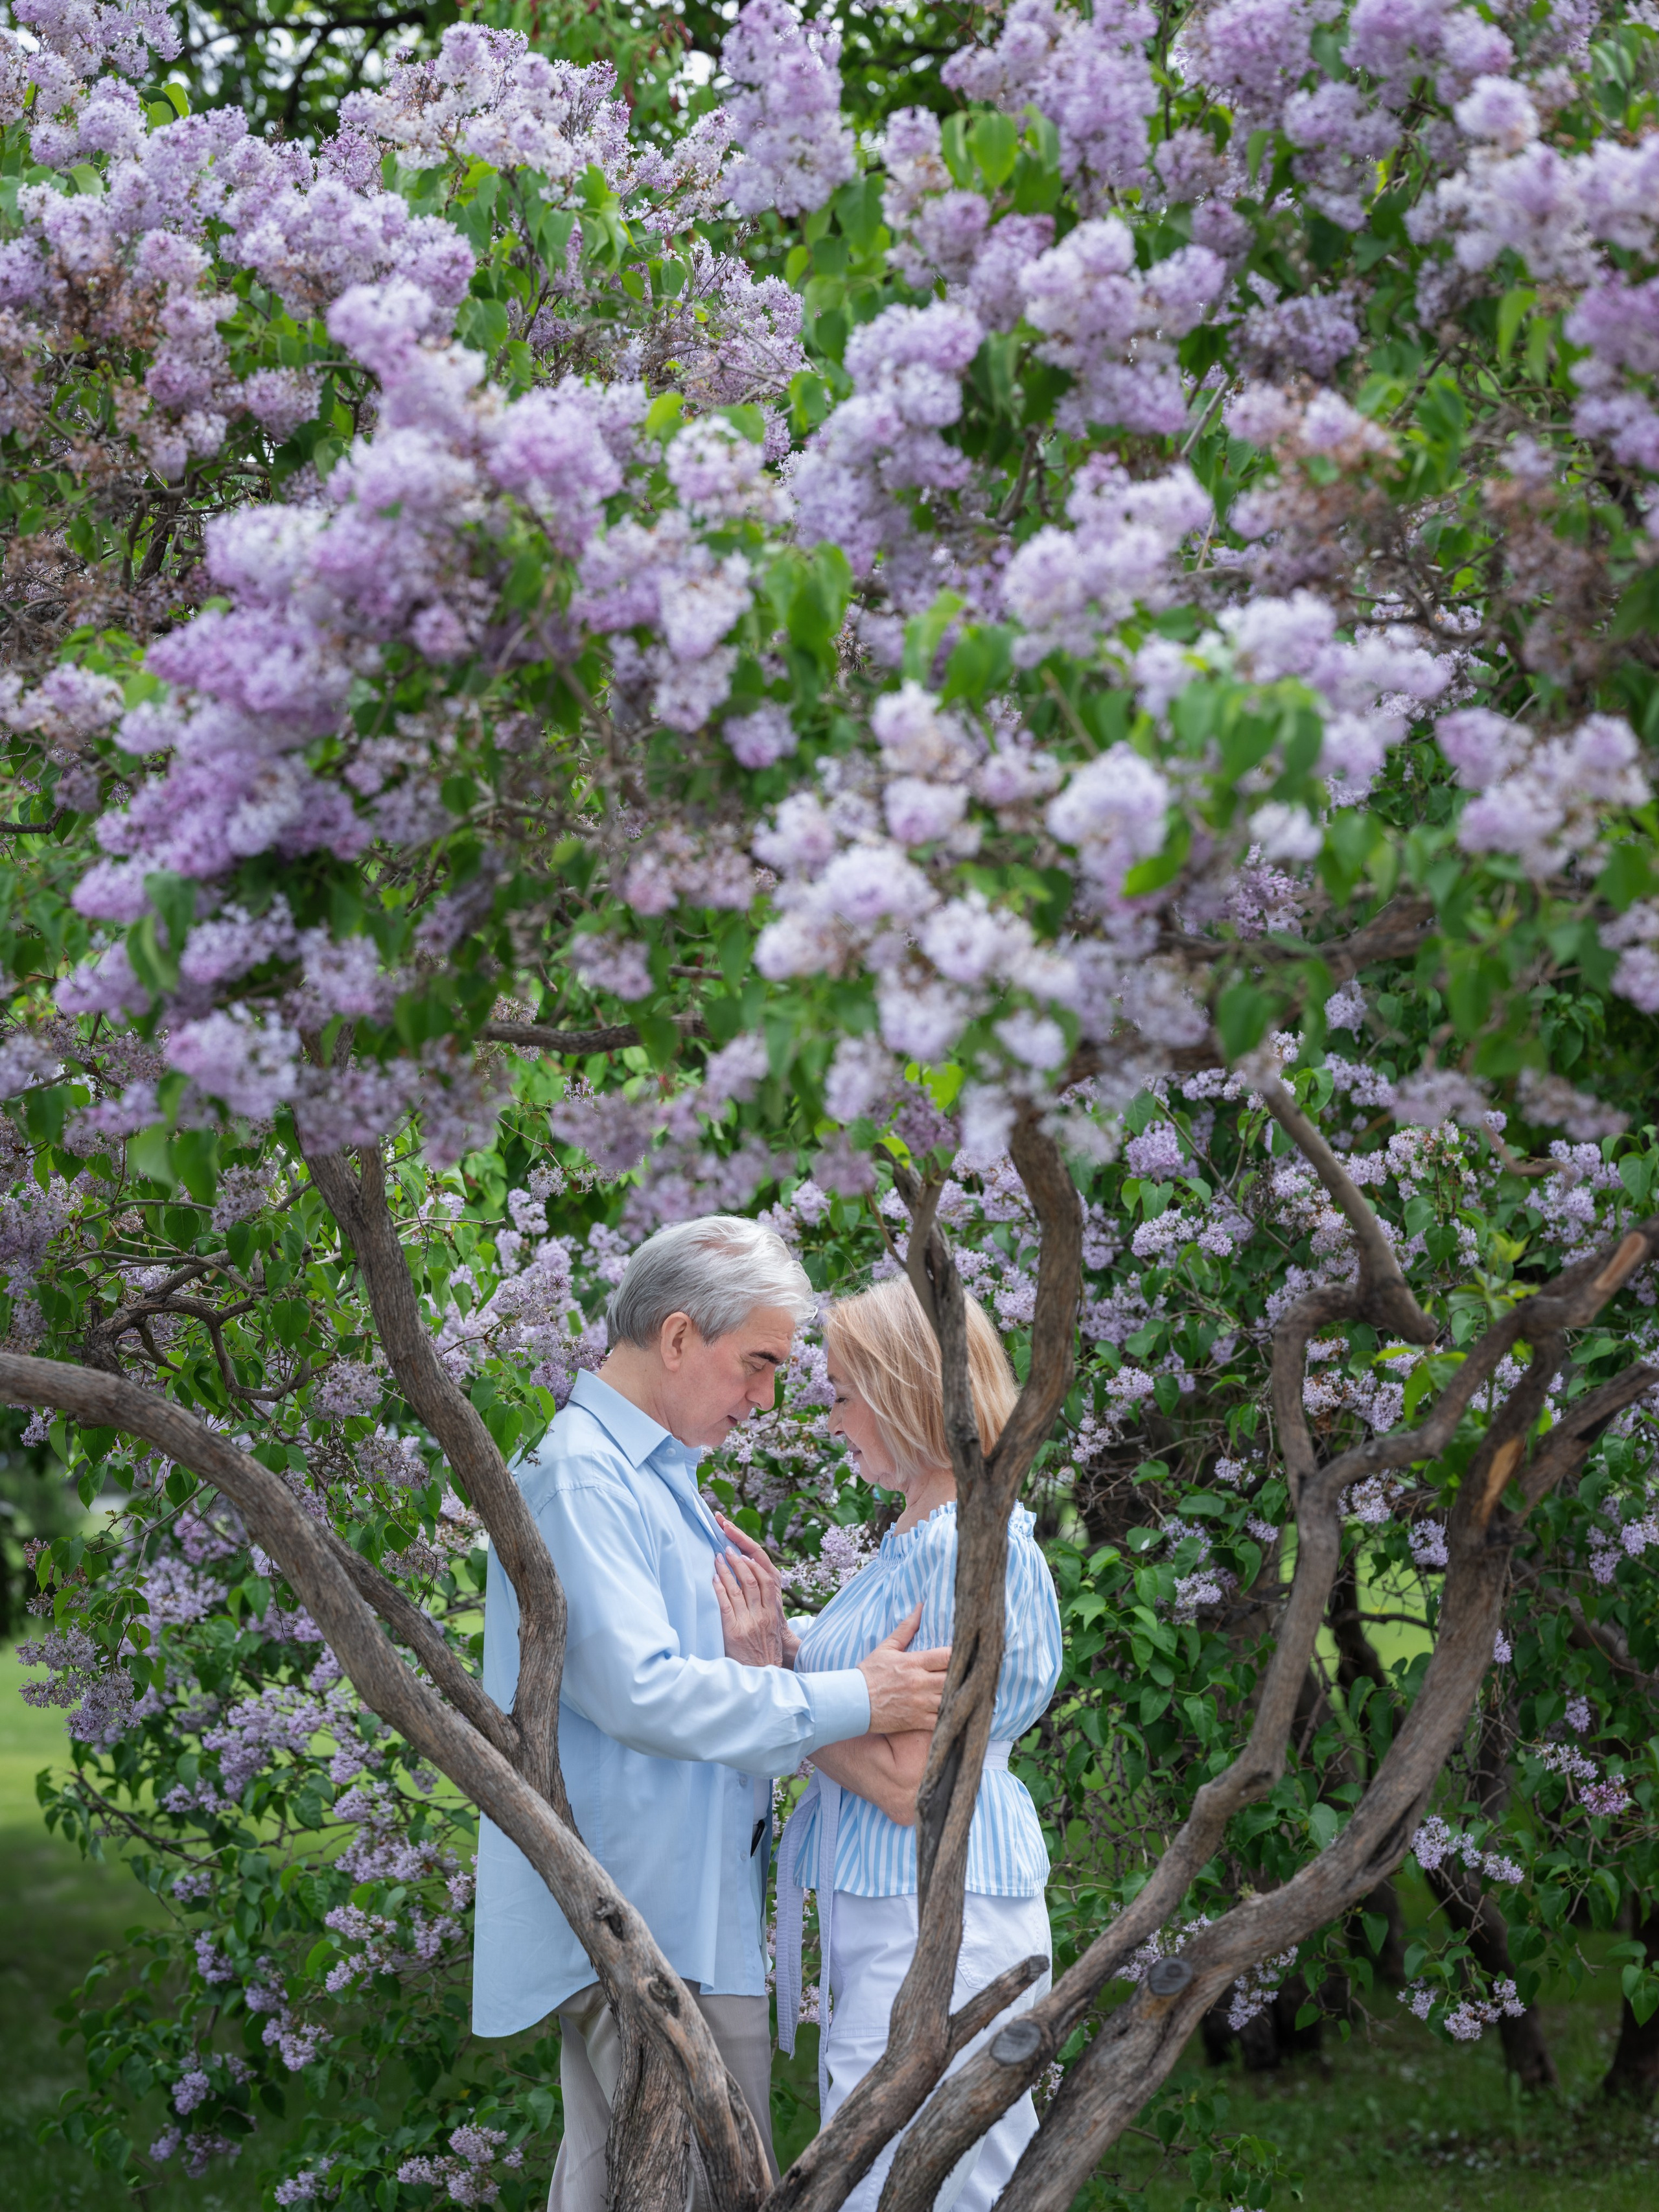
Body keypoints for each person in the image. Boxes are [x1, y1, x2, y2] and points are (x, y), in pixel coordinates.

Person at [470, 1215, 951, 2212]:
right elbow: (641, 1688)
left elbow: (679, 1663)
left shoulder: (649, 1476)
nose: (769, 1399)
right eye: (761, 1362)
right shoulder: (586, 1476)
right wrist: (861, 1695)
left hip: (683, 1914)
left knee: (636, 2182)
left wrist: (788, 1650)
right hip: (651, 1916)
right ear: (680, 1336)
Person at [717, 1274, 1060, 2212]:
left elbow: (913, 1787)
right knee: (882, 2165)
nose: (827, 1419)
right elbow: (868, 1712)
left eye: (838, 1393)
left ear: (907, 1389)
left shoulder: (963, 1547)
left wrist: (776, 1692)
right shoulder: (917, 1536)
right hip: (892, 1901)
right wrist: (788, 1661)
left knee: (930, 2176)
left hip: (937, 1902)